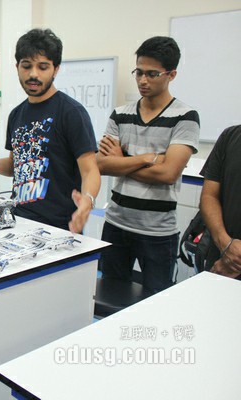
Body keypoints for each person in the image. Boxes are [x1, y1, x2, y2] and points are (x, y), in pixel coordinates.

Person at [0, 28, 100, 233]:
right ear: (17, 67)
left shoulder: (72, 113)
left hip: (59, 227)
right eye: (26, 66)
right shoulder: (16, 114)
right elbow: (15, 165)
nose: (33, 74)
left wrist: (87, 200)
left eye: (43, 67)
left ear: (55, 69)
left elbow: (90, 169)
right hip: (17, 220)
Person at [97, 36, 200, 294]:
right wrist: (146, 158)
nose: (143, 80)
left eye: (152, 74)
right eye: (139, 72)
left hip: (158, 232)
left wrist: (122, 159)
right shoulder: (120, 114)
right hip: (116, 224)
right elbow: (101, 165)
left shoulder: (185, 117)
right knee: (111, 296)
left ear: (171, 74)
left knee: (157, 300)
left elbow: (168, 173)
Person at [199, 125, 241, 278]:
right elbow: (209, 196)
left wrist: (236, 259)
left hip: (230, 264)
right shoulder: (231, 136)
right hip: (221, 260)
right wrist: (226, 245)